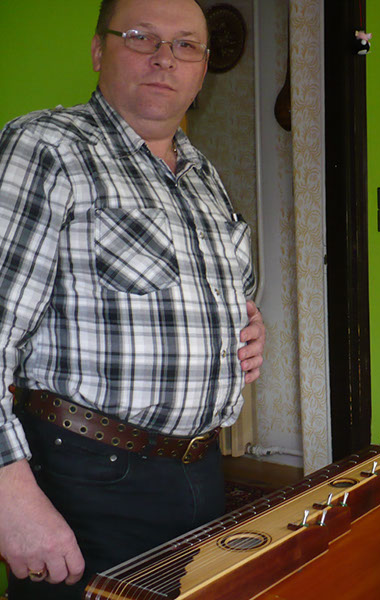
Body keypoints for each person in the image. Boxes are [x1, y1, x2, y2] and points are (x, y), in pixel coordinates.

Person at [0, 0, 266, 598]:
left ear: (202, 70)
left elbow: (228, 293)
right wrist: (8, 494)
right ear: (100, 50)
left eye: (186, 45)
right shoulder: (48, 148)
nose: (165, 58)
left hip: (200, 470)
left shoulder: (202, 173)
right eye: (142, 37)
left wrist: (249, 326)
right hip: (86, 476)